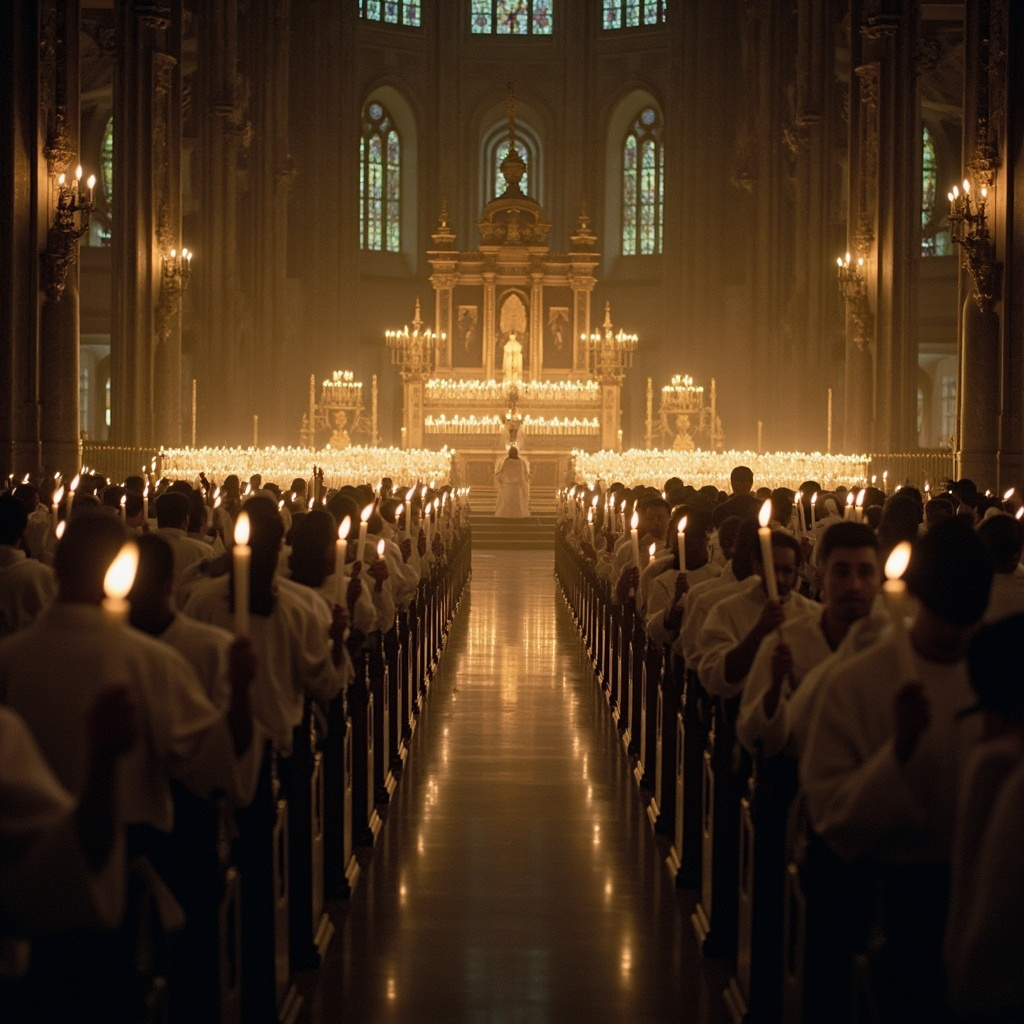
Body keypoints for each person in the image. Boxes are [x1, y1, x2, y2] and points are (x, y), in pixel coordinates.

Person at [494, 446, 530, 518]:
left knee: (507, 500)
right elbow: (524, 474)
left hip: (507, 485)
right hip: (517, 485)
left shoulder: (506, 461)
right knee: (517, 501)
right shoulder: (521, 462)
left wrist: (500, 479)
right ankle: (517, 513)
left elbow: (502, 472)